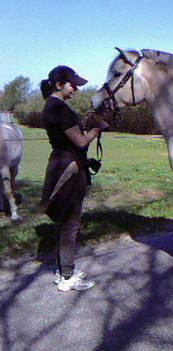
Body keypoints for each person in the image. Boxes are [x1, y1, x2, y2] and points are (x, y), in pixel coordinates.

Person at [39, 65, 108, 292]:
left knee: (66, 223)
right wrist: (97, 128)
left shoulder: (54, 106)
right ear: (60, 85)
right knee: (70, 224)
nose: (76, 89)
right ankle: (67, 278)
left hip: (64, 165)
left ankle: (64, 270)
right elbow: (79, 142)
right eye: (73, 85)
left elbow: (71, 139)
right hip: (69, 171)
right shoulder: (58, 108)